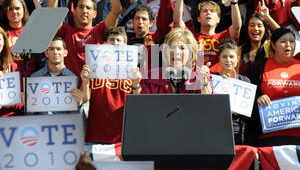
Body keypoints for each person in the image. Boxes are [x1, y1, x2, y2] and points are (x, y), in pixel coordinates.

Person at [47, 0, 123, 78]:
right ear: (74, 11)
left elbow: (117, 10)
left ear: (95, 14)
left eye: (88, 8)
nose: (84, 10)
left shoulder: (100, 30)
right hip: (71, 87)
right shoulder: (66, 31)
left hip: (94, 88)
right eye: (81, 7)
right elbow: (51, 12)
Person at [79, 27, 133, 157]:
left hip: (122, 137)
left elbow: (138, 102)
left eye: (119, 40)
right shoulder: (92, 67)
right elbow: (85, 99)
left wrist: (136, 84)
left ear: (125, 45)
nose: (115, 43)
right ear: (103, 44)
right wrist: (85, 81)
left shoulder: (133, 70)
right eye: (111, 40)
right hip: (96, 135)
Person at [173, 0, 242, 68]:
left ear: (218, 19)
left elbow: (237, 27)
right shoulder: (191, 37)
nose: (208, 13)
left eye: (212, 11)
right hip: (196, 79)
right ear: (198, 18)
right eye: (204, 11)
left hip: (218, 79)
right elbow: (177, 21)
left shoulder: (224, 38)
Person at [248, 27, 300, 146]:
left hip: (298, 135)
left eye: (292, 41)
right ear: (272, 45)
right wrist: (258, 97)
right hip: (270, 135)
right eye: (283, 41)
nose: (288, 45)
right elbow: (248, 94)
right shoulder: (258, 67)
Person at [131, 27, 213, 95]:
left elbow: (209, 106)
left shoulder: (200, 75)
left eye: (182, 48)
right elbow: (142, 108)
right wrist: (136, 85)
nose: (176, 52)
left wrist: (204, 82)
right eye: (172, 47)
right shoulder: (150, 77)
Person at [215, 39, 252, 145]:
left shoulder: (245, 81)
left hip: (238, 131)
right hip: (216, 130)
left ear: (238, 59)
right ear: (219, 59)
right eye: (224, 56)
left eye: (231, 57)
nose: (228, 60)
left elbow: (247, 113)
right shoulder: (212, 79)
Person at [30, 36, 84, 109]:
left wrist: (79, 104)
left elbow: (75, 111)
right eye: (51, 49)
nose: (55, 52)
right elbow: (32, 111)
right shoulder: (35, 78)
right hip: (42, 120)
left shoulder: (74, 79)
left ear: (65, 53)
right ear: (46, 53)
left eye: (58, 49)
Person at [0, 25, 23, 117]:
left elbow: (22, 102)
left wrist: (9, 103)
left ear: (5, 42)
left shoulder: (12, 66)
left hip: (9, 121)